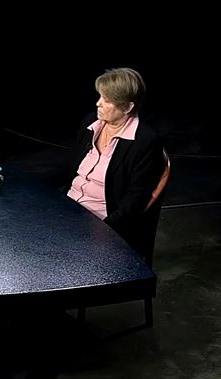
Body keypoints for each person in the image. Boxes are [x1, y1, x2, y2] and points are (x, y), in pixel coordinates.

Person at [67, 67, 165, 262]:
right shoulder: (91, 123)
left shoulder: (144, 141)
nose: (98, 103)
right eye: (100, 97)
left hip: (99, 221)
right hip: (68, 208)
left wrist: (104, 229)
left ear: (127, 108)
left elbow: (135, 199)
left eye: (107, 100)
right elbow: (71, 171)